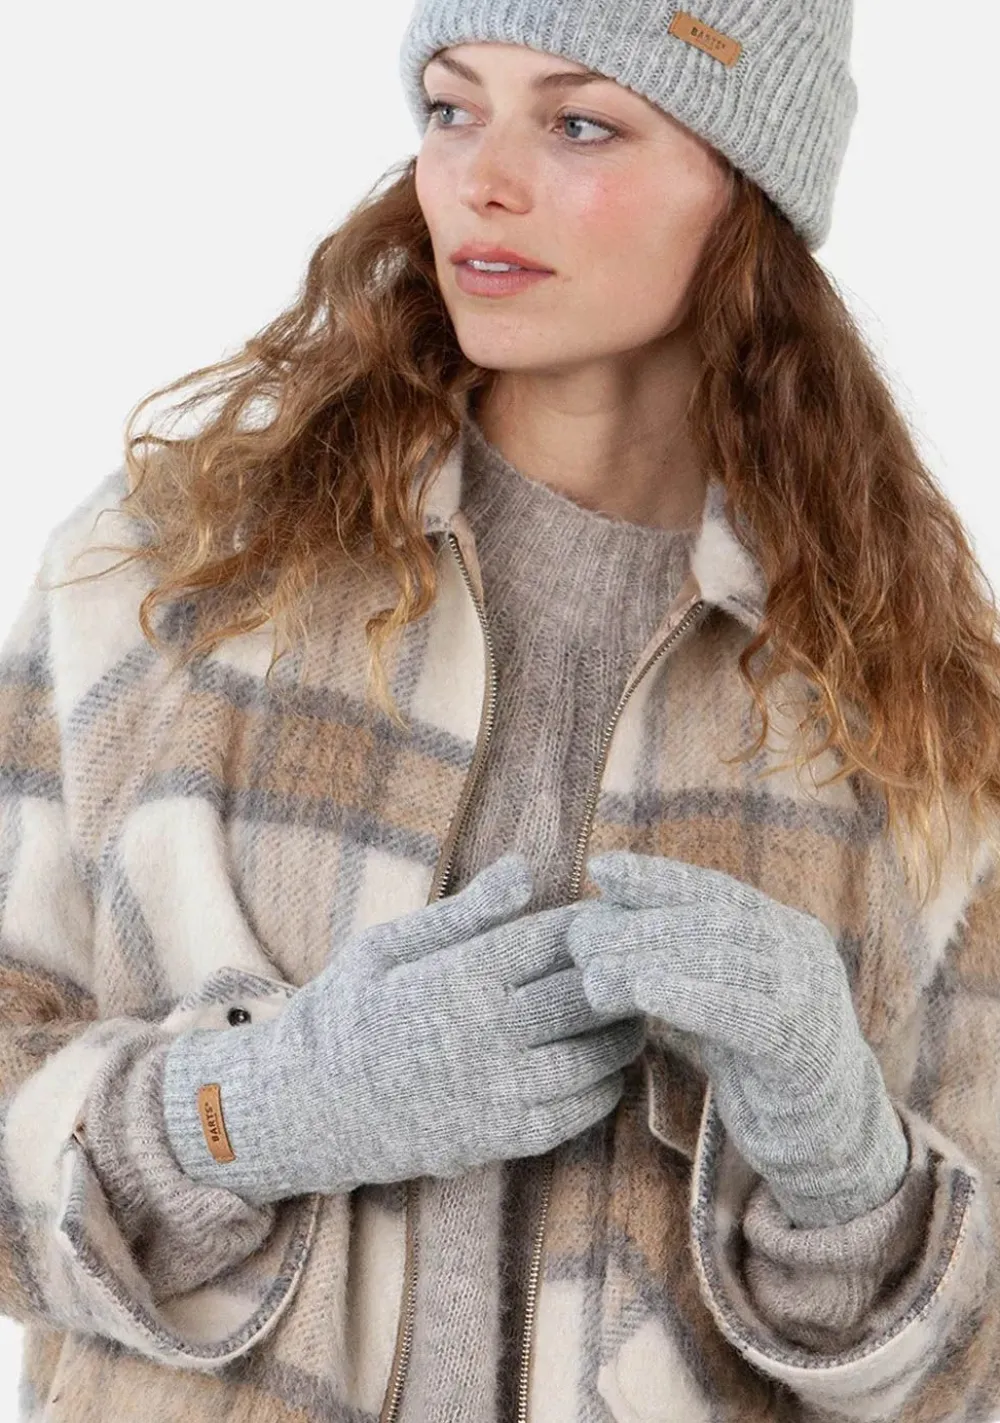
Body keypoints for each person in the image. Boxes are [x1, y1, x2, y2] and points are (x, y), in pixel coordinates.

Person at [2, 1, 1000, 1420]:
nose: (482, 180)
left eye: (581, 122)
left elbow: (969, 1369)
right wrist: (249, 1111)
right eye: (452, 108)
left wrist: (848, 1179)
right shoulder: (170, 582)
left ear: (749, 189)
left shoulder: (925, 711)